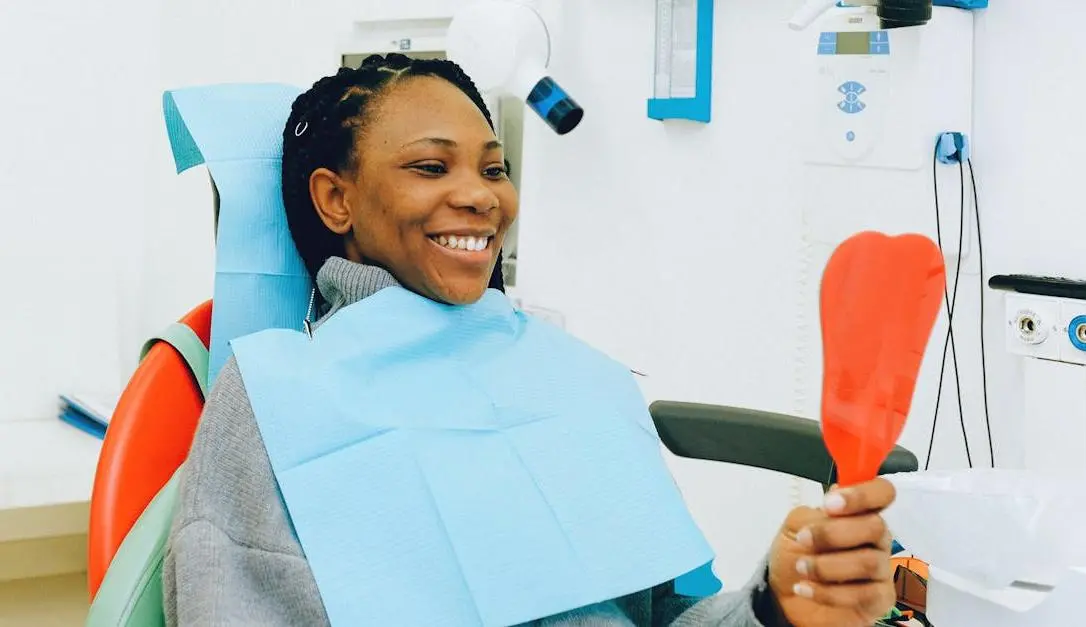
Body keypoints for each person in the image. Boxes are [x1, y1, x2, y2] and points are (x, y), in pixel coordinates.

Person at [163, 53, 898, 627]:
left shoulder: (574, 379)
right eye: (430, 165)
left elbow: (670, 614)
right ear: (336, 198)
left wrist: (776, 604)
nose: (482, 194)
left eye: (494, 167)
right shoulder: (277, 393)